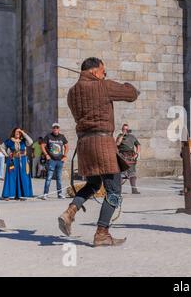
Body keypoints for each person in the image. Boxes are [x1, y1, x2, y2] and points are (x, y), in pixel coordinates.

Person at [58, 57, 140, 247]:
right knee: (114, 191)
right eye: (104, 71)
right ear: (95, 71)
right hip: (103, 142)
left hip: (85, 145)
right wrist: (128, 84)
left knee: (94, 184)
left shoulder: (72, 93)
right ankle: (102, 233)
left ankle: (70, 211)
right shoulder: (103, 86)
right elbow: (131, 94)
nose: (105, 74)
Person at [0, 128, 34, 200]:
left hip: (23, 161)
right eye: (16, 132)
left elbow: (31, 142)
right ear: (13, 132)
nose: (18, 133)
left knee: (23, 176)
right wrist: (7, 155)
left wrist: (23, 133)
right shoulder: (9, 141)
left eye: (19, 132)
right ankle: (9, 195)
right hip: (13, 161)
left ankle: (23, 194)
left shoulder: (23, 141)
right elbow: (1, 148)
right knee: (11, 177)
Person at [42, 124, 69, 199]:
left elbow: (67, 146)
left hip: (60, 160)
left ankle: (59, 194)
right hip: (51, 160)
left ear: (59, 129)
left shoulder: (62, 136)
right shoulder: (48, 136)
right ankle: (45, 194)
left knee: (59, 178)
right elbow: (42, 145)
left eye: (57, 128)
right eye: (54, 128)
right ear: (52, 129)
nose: (55, 129)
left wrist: (65, 156)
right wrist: (46, 154)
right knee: (49, 177)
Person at [116, 124, 141, 194]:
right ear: (122, 129)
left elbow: (138, 145)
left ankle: (134, 189)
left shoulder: (132, 137)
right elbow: (117, 144)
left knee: (132, 173)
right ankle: (118, 190)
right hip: (122, 156)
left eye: (126, 129)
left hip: (131, 157)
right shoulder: (119, 136)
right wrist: (122, 135)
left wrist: (136, 154)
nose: (125, 130)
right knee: (121, 174)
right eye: (124, 129)